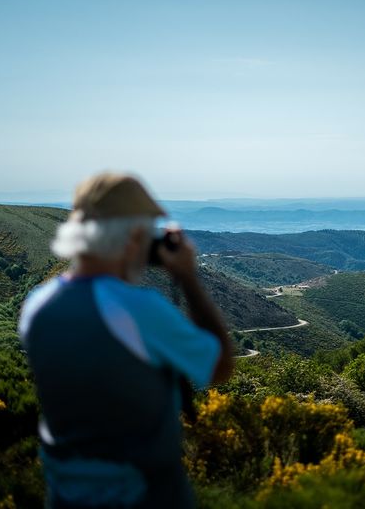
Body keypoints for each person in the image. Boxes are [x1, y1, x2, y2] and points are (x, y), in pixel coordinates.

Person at [19, 172, 234, 508]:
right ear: (133, 236)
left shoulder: (35, 307)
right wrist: (188, 278)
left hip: (63, 495)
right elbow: (219, 365)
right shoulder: (137, 311)